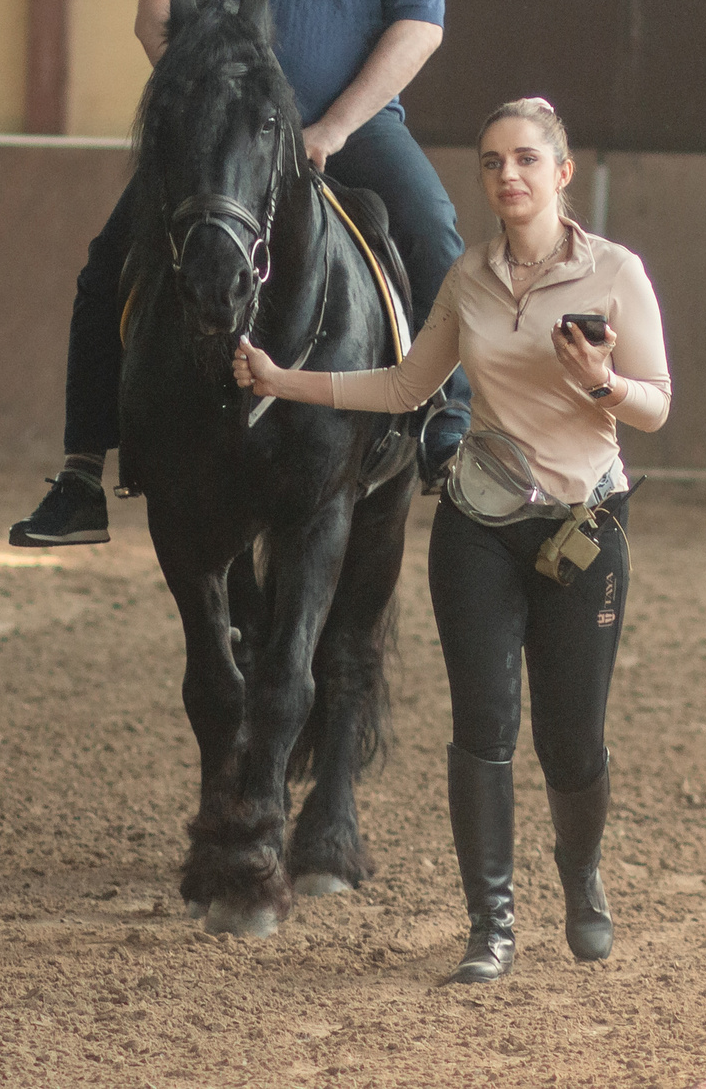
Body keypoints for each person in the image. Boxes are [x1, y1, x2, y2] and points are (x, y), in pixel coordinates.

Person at [233, 97, 671, 983]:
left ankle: (581, 877)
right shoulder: (468, 277)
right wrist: (283, 380)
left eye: (525, 159)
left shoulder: (616, 272)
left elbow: (657, 406)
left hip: (584, 529)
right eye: (492, 161)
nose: (508, 175)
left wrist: (604, 383)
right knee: (483, 728)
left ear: (561, 172)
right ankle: (491, 926)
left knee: (572, 740)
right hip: (480, 525)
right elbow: (404, 387)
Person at [10, 0, 474, 549]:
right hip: (225, 142)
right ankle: (81, 473)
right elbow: (156, 13)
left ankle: (448, 423)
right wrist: (212, 111)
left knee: (436, 233)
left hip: (353, 125)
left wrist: (329, 127)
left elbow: (419, 28)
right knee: (107, 265)